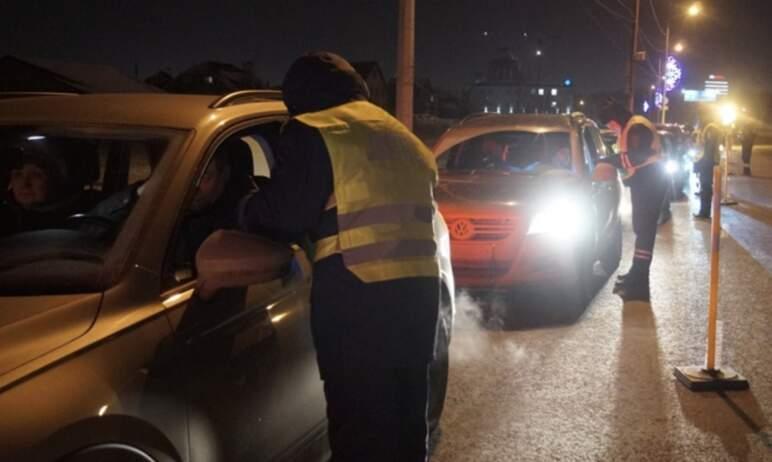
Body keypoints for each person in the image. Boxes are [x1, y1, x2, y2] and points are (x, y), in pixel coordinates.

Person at [238, 51, 441, 461]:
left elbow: (285, 215)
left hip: (358, 298)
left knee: (357, 431)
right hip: (420, 297)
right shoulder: (401, 134)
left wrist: (242, 207)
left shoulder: (314, 130)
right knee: (404, 422)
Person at [599, 104, 666, 302]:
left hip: (650, 182)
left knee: (645, 232)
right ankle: (635, 276)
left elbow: (635, 157)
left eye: (611, 124)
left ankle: (640, 285)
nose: (611, 128)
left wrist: (609, 161)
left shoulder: (635, 127)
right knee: (642, 230)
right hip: (647, 181)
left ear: (617, 118)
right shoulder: (634, 126)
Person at [0, 142, 79, 237]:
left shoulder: (79, 221)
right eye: (18, 174)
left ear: (55, 178)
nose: (25, 184)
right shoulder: (5, 219)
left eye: (36, 175)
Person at [694, 122, 721, 219]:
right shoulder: (713, 145)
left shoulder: (710, 145)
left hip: (706, 169)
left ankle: (704, 213)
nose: (708, 135)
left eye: (710, 133)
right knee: (706, 191)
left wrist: (698, 165)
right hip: (709, 169)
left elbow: (705, 158)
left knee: (705, 191)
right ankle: (705, 212)